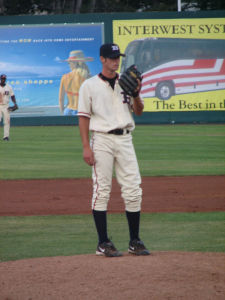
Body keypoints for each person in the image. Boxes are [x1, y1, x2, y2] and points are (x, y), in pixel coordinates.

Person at [78, 43, 150, 257]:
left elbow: (139, 112)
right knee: (102, 190)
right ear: (102, 59)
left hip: (126, 139)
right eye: (111, 57)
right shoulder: (89, 85)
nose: (115, 61)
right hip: (101, 140)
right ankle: (103, 243)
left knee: (133, 189)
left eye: (117, 57)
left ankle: (134, 241)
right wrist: (85, 147)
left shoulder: (126, 82)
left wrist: (136, 94)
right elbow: (83, 117)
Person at [59, 50, 93, 116]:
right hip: (82, 112)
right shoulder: (88, 77)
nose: (69, 65)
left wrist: (62, 112)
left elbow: (61, 99)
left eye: (69, 63)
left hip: (68, 111)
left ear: (74, 63)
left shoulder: (64, 77)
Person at [0, 74, 18, 141]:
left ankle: (6, 137)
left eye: (4, 79)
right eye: (2, 78)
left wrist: (15, 103)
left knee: (7, 122)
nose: (3, 80)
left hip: (6, 106)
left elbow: (12, 96)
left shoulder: (8, 87)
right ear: (0, 79)